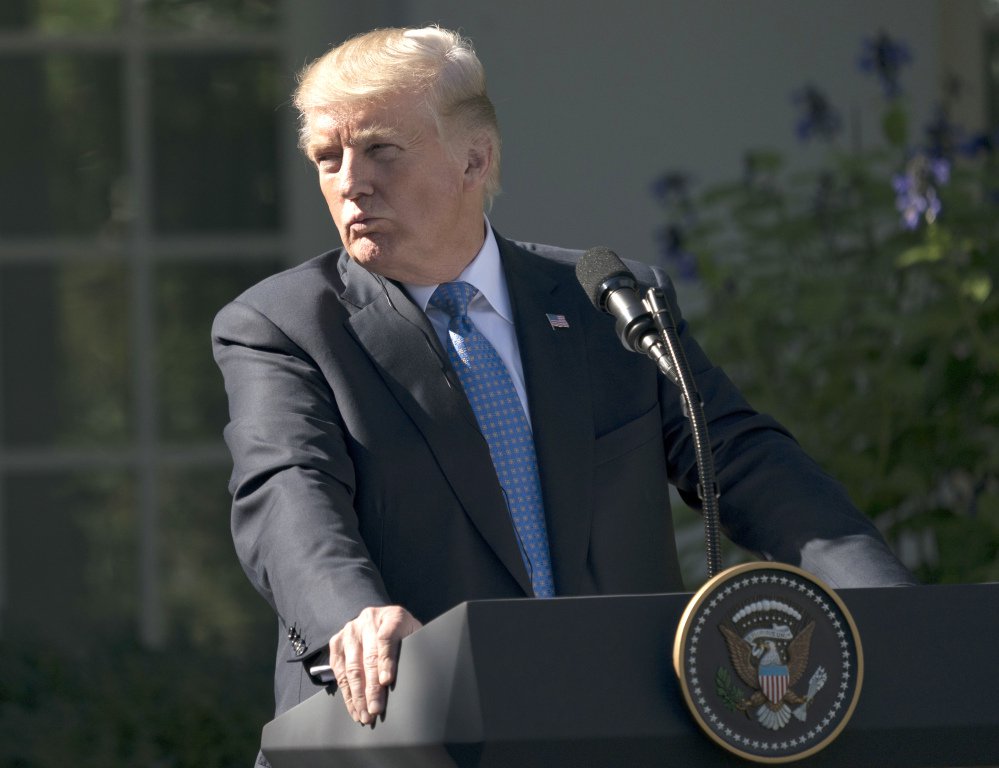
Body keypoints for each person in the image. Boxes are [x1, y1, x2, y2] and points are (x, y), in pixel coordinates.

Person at [212, 24, 915, 758]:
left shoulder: (609, 302)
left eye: (380, 149)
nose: (350, 180)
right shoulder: (282, 325)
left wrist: (881, 602)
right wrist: (350, 616)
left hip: (616, 725)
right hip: (402, 732)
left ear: (473, 159)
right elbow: (286, 493)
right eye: (328, 158)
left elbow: (739, 458)